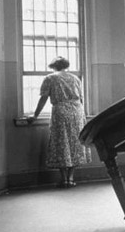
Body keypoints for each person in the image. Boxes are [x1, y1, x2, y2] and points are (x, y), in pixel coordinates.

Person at [28, 56, 91, 188]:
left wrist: (35, 115)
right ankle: (71, 177)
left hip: (61, 112)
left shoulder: (50, 78)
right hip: (77, 112)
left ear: (53, 66)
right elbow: (81, 99)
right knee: (75, 144)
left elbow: (43, 99)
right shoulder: (75, 78)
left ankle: (64, 179)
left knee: (61, 143)